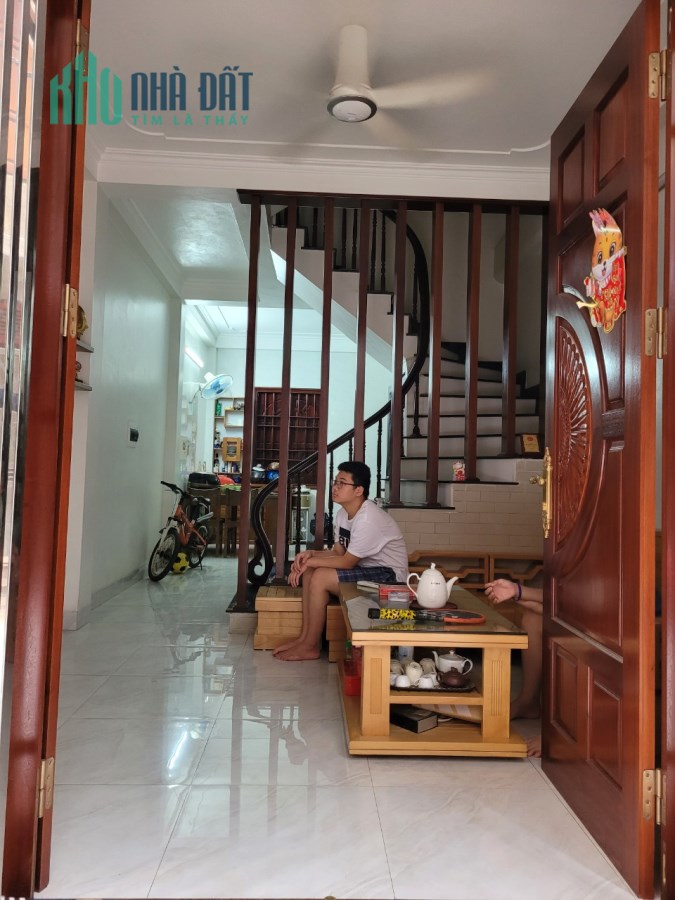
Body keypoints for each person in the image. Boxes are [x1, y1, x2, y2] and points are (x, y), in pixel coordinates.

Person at [274, 461, 409, 661]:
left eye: (342, 483)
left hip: (391, 580)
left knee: (320, 576)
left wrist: (312, 562)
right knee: (311, 571)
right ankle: (304, 640)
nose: (335, 487)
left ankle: (310, 646)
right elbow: (339, 552)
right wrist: (310, 555)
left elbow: (346, 562)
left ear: (358, 490)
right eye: (335, 482)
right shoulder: (342, 514)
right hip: (368, 571)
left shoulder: (367, 519)